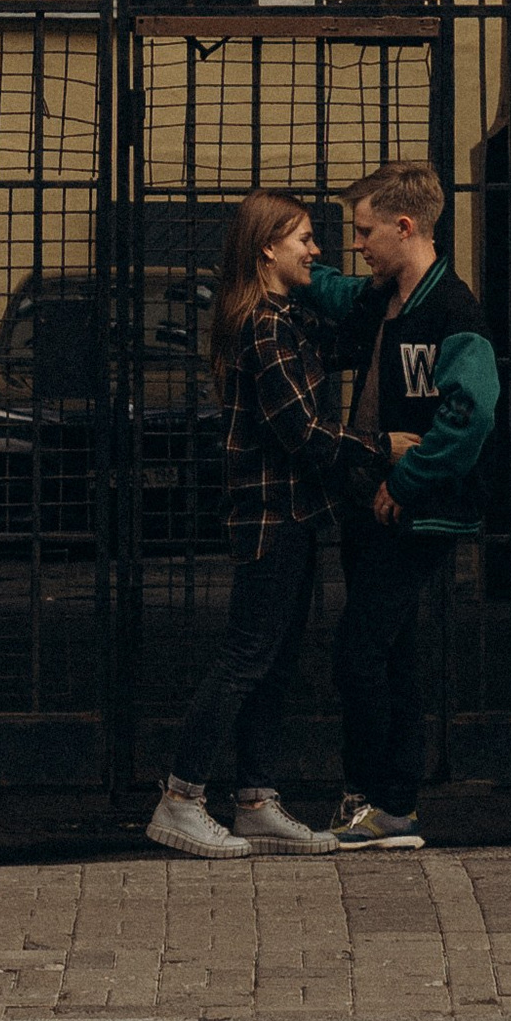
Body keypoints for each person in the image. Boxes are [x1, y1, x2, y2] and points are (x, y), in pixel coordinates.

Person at [147, 189, 384, 861]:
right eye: (304, 239)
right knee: (246, 658)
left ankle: (255, 799)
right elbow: (302, 432)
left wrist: (389, 295)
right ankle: (180, 798)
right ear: (267, 249)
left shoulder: (288, 316)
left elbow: (344, 344)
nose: (317, 250)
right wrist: (381, 448)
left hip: (294, 516)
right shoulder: (265, 326)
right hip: (269, 520)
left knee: (273, 661)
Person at [306, 159, 500, 850]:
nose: (357, 246)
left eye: (365, 233)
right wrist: (283, 265)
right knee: (390, 652)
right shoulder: (387, 297)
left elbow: (472, 414)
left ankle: (377, 800)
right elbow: (334, 290)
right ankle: (393, 805)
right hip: (376, 503)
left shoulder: (452, 311)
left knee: (359, 651)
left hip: (413, 508)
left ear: (405, 226)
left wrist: (406, 481)